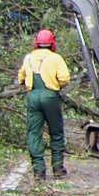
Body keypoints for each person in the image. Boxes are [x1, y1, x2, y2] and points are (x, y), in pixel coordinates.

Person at [18, 28, 73, 179]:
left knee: (34, 132)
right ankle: (57, 167)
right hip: (50, 97)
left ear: (36, 43)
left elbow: (20, 77)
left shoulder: (28, 57)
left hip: (33, 97)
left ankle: (38, 170)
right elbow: (64, 78)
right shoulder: (56, 58)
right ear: (52, 43)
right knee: (56, 131)